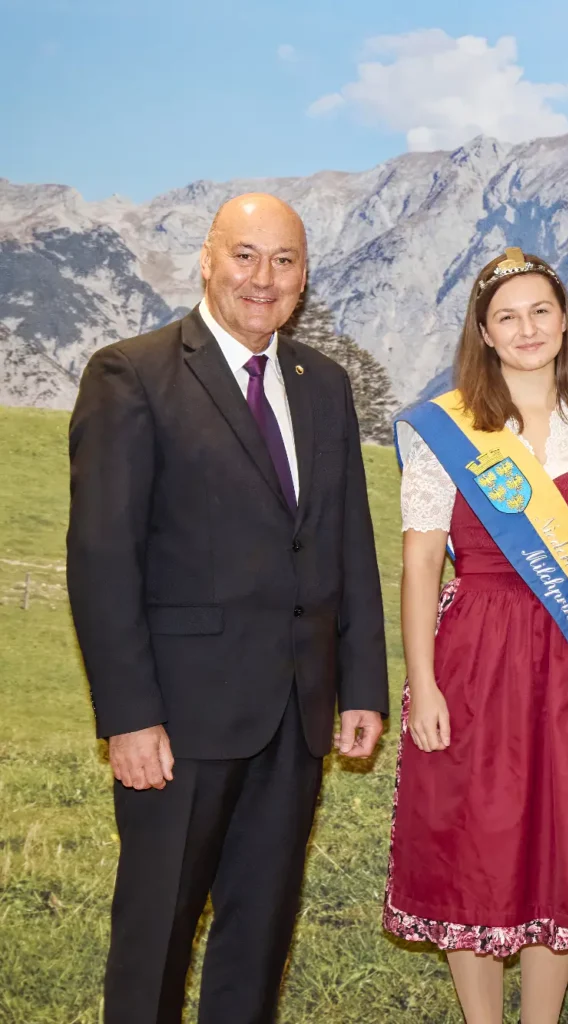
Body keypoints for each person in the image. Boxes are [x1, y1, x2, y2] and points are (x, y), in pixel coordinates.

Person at [66, 193, 388, 1023]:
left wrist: (360, 687)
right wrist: (129, 716)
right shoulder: (131, 373)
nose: (263, 278)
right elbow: (103, 560)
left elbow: (345, 541)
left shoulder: (323, 385)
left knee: (258, 940)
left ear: (305, 278)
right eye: (244, 255)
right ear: (206, 260)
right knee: (155, 940)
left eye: (283, 261)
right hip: (178, 724)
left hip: (294, 716)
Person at [384, 248, 568, 1024]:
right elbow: (419, 560)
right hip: (476, 651)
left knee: (560, 835)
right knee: (476, 834)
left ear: (564, 320)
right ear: (485, 332)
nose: (527, 328)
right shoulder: (448, 426)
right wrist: (425, 681)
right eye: (508, 316)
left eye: (540, 311)